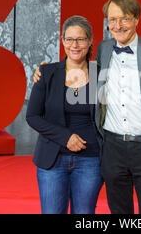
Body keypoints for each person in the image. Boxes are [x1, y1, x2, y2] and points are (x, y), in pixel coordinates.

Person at [34, 0, 141, 214]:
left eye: (124, 18)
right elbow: (77, 61)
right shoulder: (104, 49)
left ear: (136, 20)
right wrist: (45, 70)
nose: (117, 25)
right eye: (112, 19)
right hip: (111, 147)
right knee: (119, 212)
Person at [26, 15, 103, 214]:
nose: (74, 45)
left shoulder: (101, 74)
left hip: (91, 160)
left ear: (90, 41)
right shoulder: (47, 73)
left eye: (80, 39)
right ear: (62, 41)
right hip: (52, 159)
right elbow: (32, 116)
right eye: (69, 39)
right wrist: (65, 137)